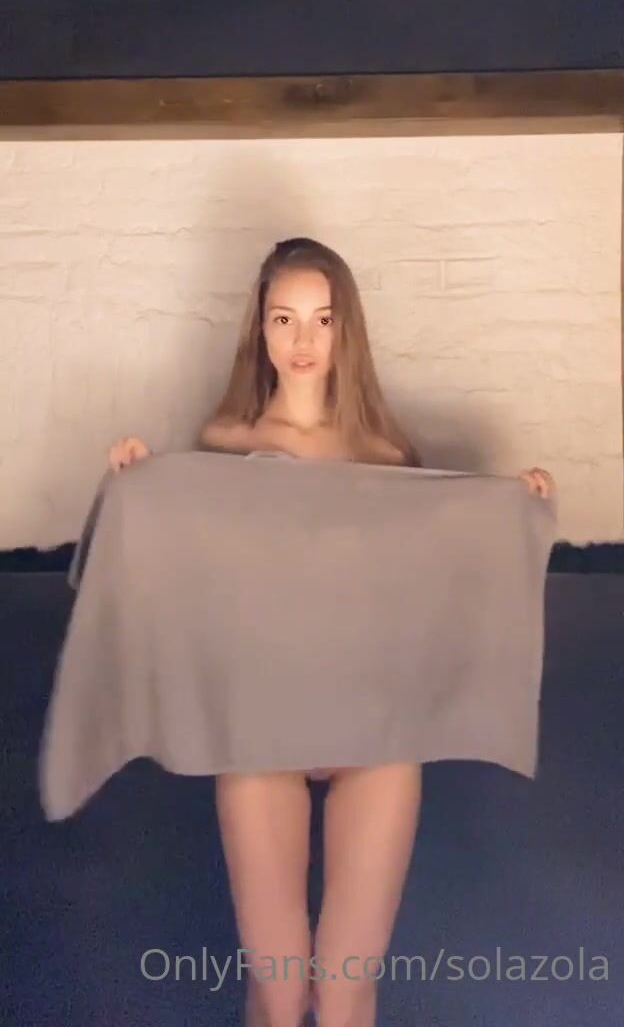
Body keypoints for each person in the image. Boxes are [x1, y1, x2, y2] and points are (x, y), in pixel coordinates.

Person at [108, 236, 555, 1027]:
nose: (304, 339)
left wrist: (515, 505)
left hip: (372, 733)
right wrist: (140, 478)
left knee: (344, 993)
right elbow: (188, 572)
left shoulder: (388, 454)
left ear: (346, 328)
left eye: (322, 318)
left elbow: (435, 568)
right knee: (280, 994)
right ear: (261, 330)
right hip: (261, 729)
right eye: (285, 318)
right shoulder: (223, 445)